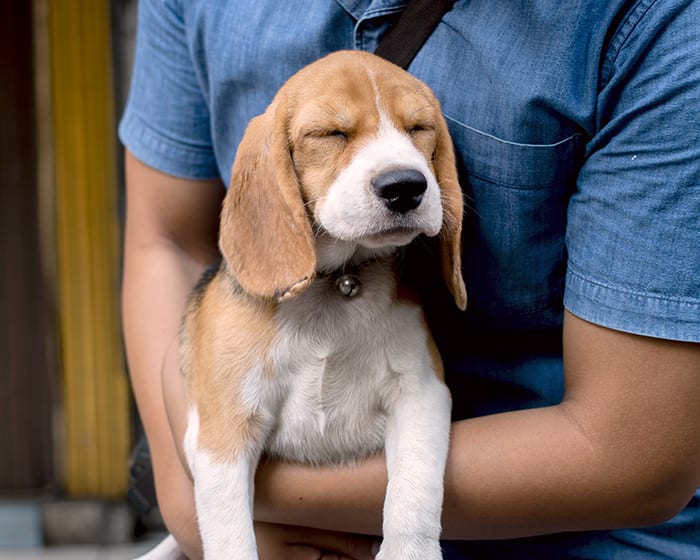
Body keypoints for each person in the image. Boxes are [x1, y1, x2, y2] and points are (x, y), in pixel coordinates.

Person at [118, 1, 700, 559]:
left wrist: (251, 503)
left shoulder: (653, 19)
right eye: (332, 135)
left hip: (585, 534)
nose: (400, 170)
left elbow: (637, 455)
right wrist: (192, 500)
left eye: (418, 129)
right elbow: (165, 240)